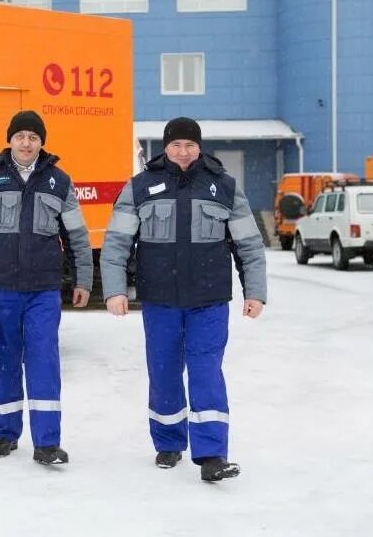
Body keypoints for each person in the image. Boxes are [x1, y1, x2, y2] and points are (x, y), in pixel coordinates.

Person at [99, 117, 267, 483]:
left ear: (199, 147)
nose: (183, 151)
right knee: (164, 372)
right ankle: (169, 441)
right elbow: (116, 244)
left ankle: (211, 454)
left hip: (209, 300)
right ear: (165, 147)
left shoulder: (223, 186)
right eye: (176, 144)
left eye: (190, 145)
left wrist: (254, 291)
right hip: (160, 300)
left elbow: (249, 245)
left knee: (207, 372)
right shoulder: (141, 187)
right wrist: (114, 289)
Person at [0, 110, 93, 466]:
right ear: (10, 140)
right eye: (21, 136)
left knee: (43, 360)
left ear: (41, 142)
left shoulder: (59, 182)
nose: (27, 143)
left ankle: (47, 443)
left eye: (33, 137)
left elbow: (77, 235)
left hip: (42, 291)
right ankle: (5, 433)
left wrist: (83, 279)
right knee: (4, 362)